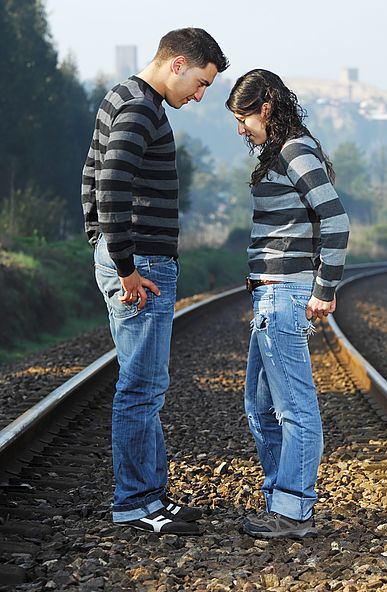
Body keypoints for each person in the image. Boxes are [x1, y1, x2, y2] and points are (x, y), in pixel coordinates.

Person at [81, 28, 229, 536]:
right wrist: (123, 264)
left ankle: (151, 494)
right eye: (201, 82)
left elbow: (90, 177)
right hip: (141, 264)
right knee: (142, 387)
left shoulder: (122, 97)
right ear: (178, 62)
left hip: (132, 257)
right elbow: (111, 181)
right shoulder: (141, 107)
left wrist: (98, 241)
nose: (199, 95)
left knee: (143, 383)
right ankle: (138, 503)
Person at [226, 69, 350, 539]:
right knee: (259, 406)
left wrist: (323, 289)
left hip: (283, 293)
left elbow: (335, 220)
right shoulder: (280, 153)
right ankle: (281, 497)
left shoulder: (296, 150)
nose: (240, 129)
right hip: (268, 295)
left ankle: (293, 510)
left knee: (295, 408)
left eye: (243, 118)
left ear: (266, 108)